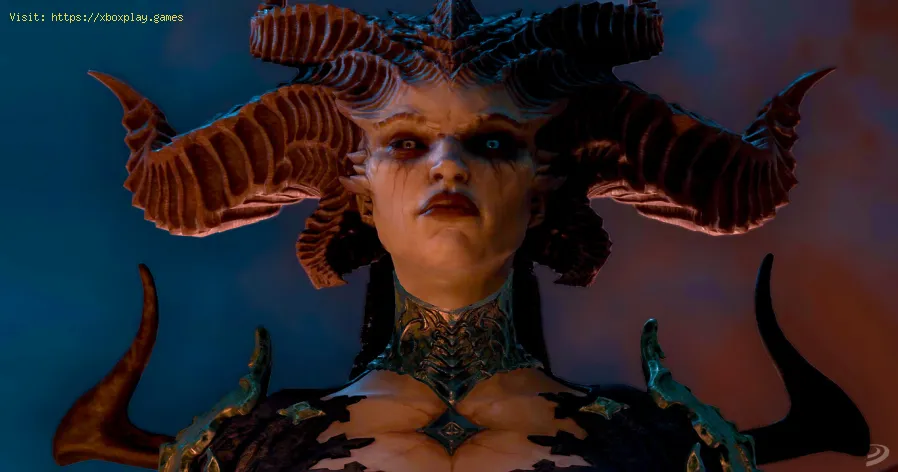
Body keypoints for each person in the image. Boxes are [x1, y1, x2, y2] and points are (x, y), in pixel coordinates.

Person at [53, 1, 871, 471]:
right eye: (407, 142)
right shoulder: (249, 450)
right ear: (359, 193)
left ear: (543, 192)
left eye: (493, 142)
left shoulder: (661, 447)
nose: (448, 166)